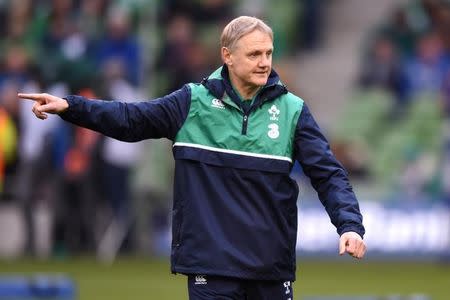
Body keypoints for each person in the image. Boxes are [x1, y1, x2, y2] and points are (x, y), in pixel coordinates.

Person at [19, 16, 366, 300]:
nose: (264, 63)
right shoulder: (191, 103)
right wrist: (72, 107)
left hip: (270, 268)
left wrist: (349, 225)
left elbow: (329, 175)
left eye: (268, 53)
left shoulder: (292, 111)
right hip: (211, 267)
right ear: (227, 56)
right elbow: (131, 119)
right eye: (254, 54)